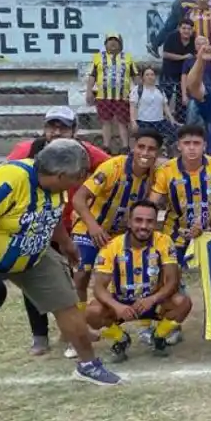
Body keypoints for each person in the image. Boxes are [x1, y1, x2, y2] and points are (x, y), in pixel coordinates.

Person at [0, 140, 122, 421]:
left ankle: (88, 364)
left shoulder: (53, 186)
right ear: (61, 176)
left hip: (32, 252)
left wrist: (65, 242)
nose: (82, 179)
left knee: (67, 304)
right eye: (79, 175)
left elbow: (52, 214)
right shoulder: (11, 181)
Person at [7, 107, 111, 355]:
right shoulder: (27, 150)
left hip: (70, 226)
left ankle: (72, 330)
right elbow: (7, 176)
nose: (57, 132)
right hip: (36, 223)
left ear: (74, 131)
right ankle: (39, 335)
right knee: (33, 278)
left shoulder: (85, 152)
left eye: (63, 127)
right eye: (52, 126)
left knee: (71, 280)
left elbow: (112, 167)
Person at [69, 129, 162, 331]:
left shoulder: (154, 175)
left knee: (137, 273)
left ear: (158, 153)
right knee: (82, 275)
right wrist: (94, 226)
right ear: (133, 148)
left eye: (151, 149)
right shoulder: (113, 166)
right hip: (89, 228)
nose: (145, 153)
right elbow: (78, 199)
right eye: (141, 147)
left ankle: (136, 324)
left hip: (118, 235)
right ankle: (77, 330)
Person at [84, 200, 192, 361]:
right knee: (91, 312)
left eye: (149, 221)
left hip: (153, 303)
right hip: (121, 303)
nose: (144, 226)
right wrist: (117, 307)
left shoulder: (164, 241)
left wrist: (152, 299)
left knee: (183, 302)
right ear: (129, 222)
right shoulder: (111, 246)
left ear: (156, 223)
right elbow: (99, 288)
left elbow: (172, 281)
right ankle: (120, 339)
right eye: (138, 220)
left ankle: (158, 337)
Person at [150, 124, 211, 265]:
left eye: (197, 143)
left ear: (204, 145)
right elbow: (152, 202)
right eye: (187, 143)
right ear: (179, 146)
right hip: (176, 234)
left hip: (210, 231)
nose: (192, 148)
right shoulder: (165, 170)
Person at [86, 32, 138, 152]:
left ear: (120, 44)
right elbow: (92, 76)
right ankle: (106, 146)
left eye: (116, 41)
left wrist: (139, 91)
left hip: (123, 96)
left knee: (123, 122)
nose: (113, 43)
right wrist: (89, 91)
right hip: (103, 95)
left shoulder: (128, 57)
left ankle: (125, 146)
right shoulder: (98, 57)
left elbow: (135, 75)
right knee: (105, 121)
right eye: (110, 40)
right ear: (105, 43)